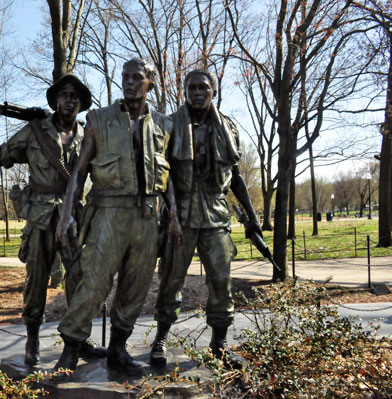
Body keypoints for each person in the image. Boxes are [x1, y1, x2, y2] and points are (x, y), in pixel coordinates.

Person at [54, 58, 181, 377]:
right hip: (109, 210)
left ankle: (118, 347)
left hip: (148, 214)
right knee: (94, 280)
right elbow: (80, 170)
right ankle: (71, 348)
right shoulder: (99, 119)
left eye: (136, 77)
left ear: (150, 81)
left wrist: (176, 216)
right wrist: (68, 213)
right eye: (125, 76)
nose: (128, 82)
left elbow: (171, 177)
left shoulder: (165, 125)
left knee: (135, 286)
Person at [0, 74, 106, 366]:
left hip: (73, 216)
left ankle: (78, 339)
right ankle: (33, 339)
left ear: (82, 103)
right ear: (56, 99)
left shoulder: (88, 135)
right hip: (39, 216)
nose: (69, 100)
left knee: (78, 279)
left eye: (75, 96)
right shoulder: (35, 131)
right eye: (64, 94)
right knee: (36, 280)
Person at [149, 69, 261, 369]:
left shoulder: (228, 127)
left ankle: (219, 344)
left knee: (221, 281)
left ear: (214, 91)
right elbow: (164, 174)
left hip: (216, 213)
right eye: (192, 88)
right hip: (181, 213)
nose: (197, 92)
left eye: (203, 87)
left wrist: (253, 217)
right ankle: (160, 338)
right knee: (171, 280)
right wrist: (171, 213)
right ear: (184, 91)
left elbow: (236, 176)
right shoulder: (170, 125)